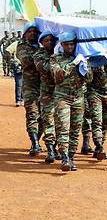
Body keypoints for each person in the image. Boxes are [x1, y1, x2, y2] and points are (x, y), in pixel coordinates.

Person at [50, 32, 92, 171]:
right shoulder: (55, 58)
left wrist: (85, 66)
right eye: (67, 44)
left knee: (75, 129)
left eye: (72, 44)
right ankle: (64, 158)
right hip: (62, 97)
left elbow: (89, 79)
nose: (69, 46)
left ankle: (71, 157)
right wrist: (73, 64)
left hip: (78, 97)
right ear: (61, 45)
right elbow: (58, 76)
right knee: (63, 128)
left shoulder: (81, 57)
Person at [16, 23, 43, 156]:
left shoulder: (42, 44)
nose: (32, 33)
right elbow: (26, 60)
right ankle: (35, 143)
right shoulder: (22, 46)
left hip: (44, 86)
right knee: (32, 114)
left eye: (35, 31)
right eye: (30, 31)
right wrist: (42, 53)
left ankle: (36, 141)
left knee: (44, 117)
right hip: (30, 86)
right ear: (25, 33)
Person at [33, 31, 60, 164]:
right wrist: (56, 56)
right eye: (46, 41)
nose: (49, 42)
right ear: (42, 43)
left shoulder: (61, 53)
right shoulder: (39, 55)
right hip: (47, 94)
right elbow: (46, 68)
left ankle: (56, 149)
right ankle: (50, 150)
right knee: (49, 121)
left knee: (60, 122)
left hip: (61, 93)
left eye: (51, 40)